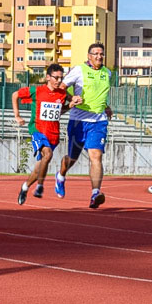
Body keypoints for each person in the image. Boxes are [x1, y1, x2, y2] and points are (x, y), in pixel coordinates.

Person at [11, 63, 82, 205]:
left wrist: (71, 104)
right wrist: (17, 115)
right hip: (38, 131)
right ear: (48, 77)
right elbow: (15, 95)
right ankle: (40, 187)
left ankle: (25, 187)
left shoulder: (62, 94)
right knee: (48, 155)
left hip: (53, 134)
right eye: (55, 78)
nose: (58, 81)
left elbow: (61, 110)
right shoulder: (36, 90)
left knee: (39, 168)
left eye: (61, 78)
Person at [58, 42, 113, 209]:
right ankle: (60, 175)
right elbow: (61, 88)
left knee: (96, 156)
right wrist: (71, 98)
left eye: (101, 54)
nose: (99, 56)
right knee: (72, 158)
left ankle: (95, 193)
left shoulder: (107, 73)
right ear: (89, 56)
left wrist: (106, 107)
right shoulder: (78, 70)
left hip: (98, 122)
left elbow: (99, 93)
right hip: (78, 122)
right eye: (95, 53)